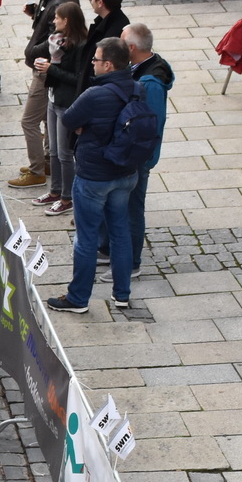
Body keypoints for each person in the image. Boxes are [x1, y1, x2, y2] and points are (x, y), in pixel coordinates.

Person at [46, 38, 143, 315]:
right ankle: (122, 295)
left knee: (86, 238)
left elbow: (68, 120)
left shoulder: (94, 94)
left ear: (108, 65)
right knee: (120, 233)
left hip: (94, 177)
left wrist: (84, 130)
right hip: (125, 173)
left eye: (96, 60)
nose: (93, 63)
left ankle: (78, 298)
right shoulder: (138, 89)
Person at [12, 0, 77, 191]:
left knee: (29, 121)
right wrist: (36, 15)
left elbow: (56, 38)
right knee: (46, 118)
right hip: (47, 68)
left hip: (46, 70)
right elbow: (50, 25)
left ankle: (37, 171)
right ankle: (48, 161)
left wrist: (32, 51)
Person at [124, 23, 175, 277]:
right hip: (133, 155)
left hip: (138, 157)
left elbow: (149, 125)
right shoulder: (140, 70)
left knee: (133, 208)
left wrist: (138, 157)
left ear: (132, 47)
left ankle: (132, 262)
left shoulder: (151, 82)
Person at [33, 0, 87, 220]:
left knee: (65, 154)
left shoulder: (80, 45)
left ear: (67, 21)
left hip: (66, 103)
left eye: (57, 17)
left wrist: (51, 69)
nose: (54, 20)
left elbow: (77, 79)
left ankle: (67, 198)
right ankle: (55, 191)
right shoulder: (57, 41)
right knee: (54, 151)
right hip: (53, 99)